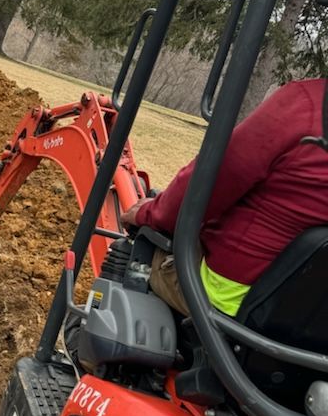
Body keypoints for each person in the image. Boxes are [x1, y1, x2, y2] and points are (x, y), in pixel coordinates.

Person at [121, 78, 328, 317]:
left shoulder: (304, 105)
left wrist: (148, 213)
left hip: (234, 299)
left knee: (139, 246)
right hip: (311, 322)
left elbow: (212, 178)